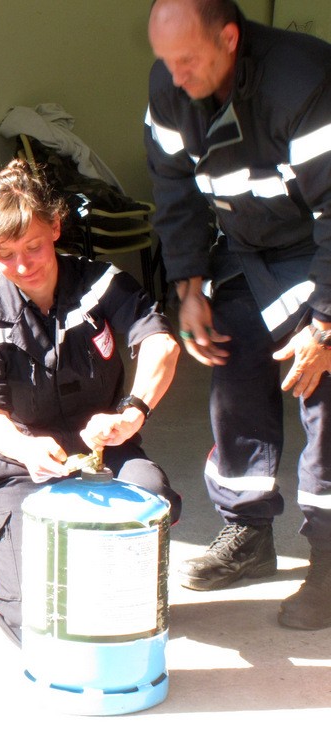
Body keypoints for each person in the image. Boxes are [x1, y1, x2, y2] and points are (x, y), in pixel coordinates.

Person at [145, 0, 331, 630]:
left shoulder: (303, 79)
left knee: (325, 393)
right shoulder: (171, 85)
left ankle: (329, 561)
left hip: (320, 248)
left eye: (187, 59)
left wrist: (326, 324)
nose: (174, 76)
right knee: (233, 370)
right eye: (165, 60)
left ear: (230, 37)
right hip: (250, 251)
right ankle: (249, 533)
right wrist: (190, 283)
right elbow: (173, 191)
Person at [0, 159, 182, 644]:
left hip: (104, 451)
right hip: (21, 461)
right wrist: (29, 451)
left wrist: (132, 410)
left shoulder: (102, 283)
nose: (23, 265)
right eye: (6, 254)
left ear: (56, 227)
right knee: (34, 623)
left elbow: (161, 343)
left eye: (33, 246)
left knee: (150, 497)